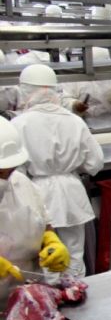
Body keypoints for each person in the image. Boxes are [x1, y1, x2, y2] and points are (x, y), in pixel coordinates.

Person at [11, 65, 103, 277]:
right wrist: (71, 166)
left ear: (24, 91)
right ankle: (79, 299)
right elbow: (95, 163)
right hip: (72, 193)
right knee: (74, 256)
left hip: (36, 195)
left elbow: (15, 174)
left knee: (45, 259)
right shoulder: (74, 121)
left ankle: (50, 304)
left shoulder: (19, 124)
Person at [0, 116, 71, 298]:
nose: (6, 177)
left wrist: (51, 240)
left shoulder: (22, 183)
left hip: (27, 297)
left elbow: (44, 223)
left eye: (10, 170)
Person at [60, 47, 111, 116]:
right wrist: (74, 105)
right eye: (95, 68)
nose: (99, 71)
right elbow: (64, 100)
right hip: (85, 120)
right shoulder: (76, 78)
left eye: (103, 67)